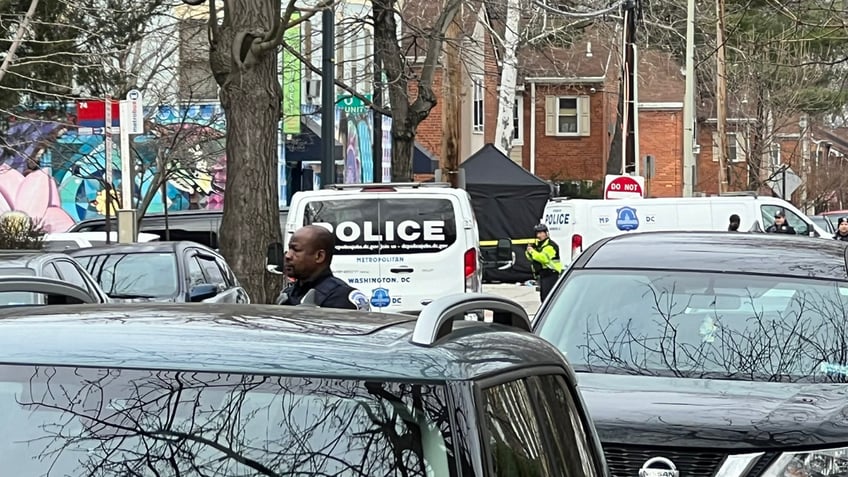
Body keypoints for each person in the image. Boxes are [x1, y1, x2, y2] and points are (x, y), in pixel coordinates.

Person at [276, 225, 370, 310]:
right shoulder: (287, 294)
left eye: (296, 250)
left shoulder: (341, 298)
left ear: (319, 256)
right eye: (289, 249)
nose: (288, 256)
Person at [525, 224, 563, 302]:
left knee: (548, 298)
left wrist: (532, 251)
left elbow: (543, 259)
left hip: (551, 274)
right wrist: (529, 251)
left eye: (541, 233)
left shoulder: (550, 246)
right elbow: (531, 258)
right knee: (543, 298)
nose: (539, 235)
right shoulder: (539, 245)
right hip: (543, 275)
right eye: (537, 233)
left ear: (546, 233)